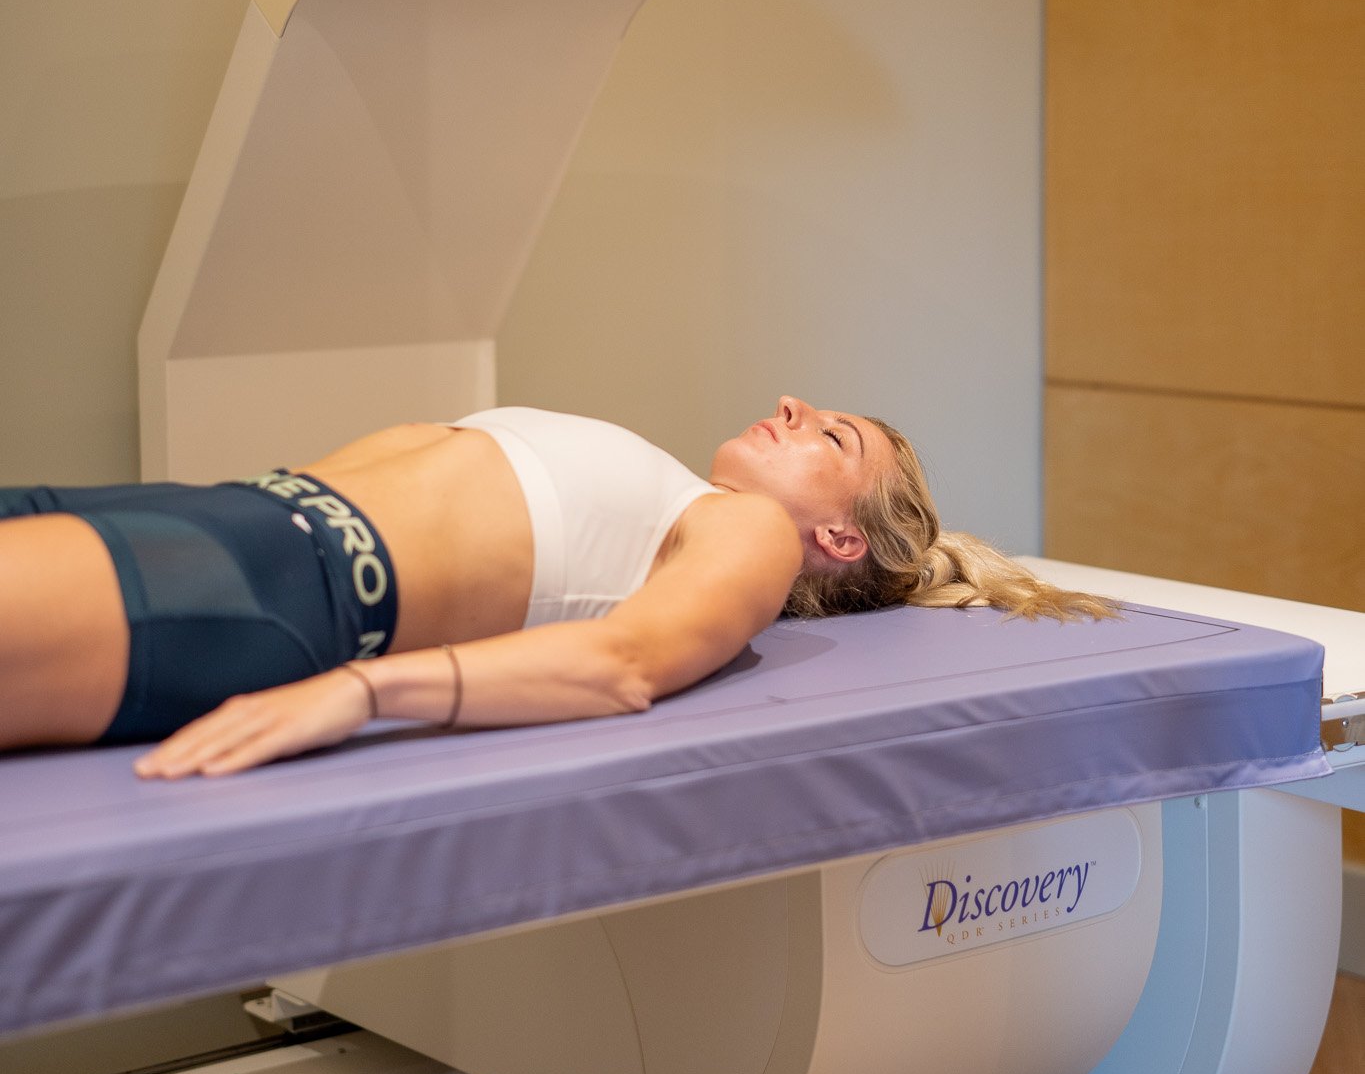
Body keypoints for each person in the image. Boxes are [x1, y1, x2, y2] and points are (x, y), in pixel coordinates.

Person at [0, 398, 1113, 775]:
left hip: (273, 583)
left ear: (837, 536)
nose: (790, 406)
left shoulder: (746, 533)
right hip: (209, 519)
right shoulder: (676, 494)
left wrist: (360, 692)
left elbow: (623, 664)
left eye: (831, 435)